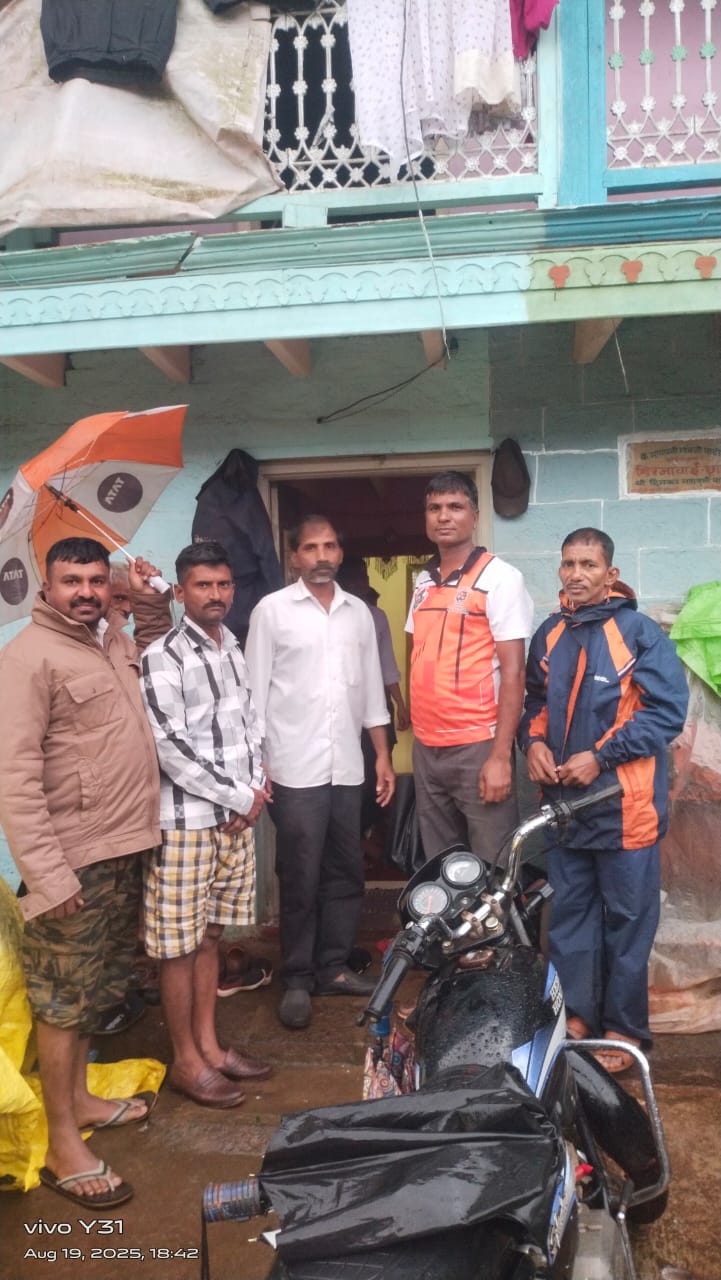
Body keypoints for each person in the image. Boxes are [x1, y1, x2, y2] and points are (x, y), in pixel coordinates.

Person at [0, 536, 170, 1208]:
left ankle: (79, 1099)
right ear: (47, 584)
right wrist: (48, 875)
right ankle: (63, 1139)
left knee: (95, 988)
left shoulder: (110, 640)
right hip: (72, 863)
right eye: (72, 581)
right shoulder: (27, 658)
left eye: (97, 581)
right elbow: (14, 779)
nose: (87, 592)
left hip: (123, 846)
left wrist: (148, 593)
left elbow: (152, 638)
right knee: (62, 1004)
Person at [518, 527, 689, 1072]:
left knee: (627, 922)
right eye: (568, 564)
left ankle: (625, 1030)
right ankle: (577, 1016)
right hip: (565, 809)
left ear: (610, 574)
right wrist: (534, 742)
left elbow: (665, 714)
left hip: (625, 808)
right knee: (569, 920)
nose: (576, 574)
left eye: (588, 564)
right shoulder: (549, 634)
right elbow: (535, 701)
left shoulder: (639, 633)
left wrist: (602, 754)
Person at [245, 515, 396, 1030]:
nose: (322, 555)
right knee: (301, 874)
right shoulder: (272, 612)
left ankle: (333, 967)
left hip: (347, 767)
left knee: (346, 870)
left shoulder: (358, 614)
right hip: (293, 767)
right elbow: (253, 695)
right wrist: (256, 763)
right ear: (295, 557)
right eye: (311, 547)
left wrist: (382, 755)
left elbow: (372, 690)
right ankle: (297, 977)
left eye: (330, 545)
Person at [140, 541, 272, 1109]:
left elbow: (251, 727)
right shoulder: (163, 655)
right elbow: (168, 748)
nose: (215, 595)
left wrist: (257, 787)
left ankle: (213, 1048)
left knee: (212, 938)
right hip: (187, 826)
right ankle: (186, 1063)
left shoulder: (233, 648)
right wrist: (241, 793)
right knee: (178, 947)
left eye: (223, 585)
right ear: (180, 591)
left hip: (235, 823)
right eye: (202, 586)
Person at [406, 470, 534, 861]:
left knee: (494, 863)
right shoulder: (424, 581)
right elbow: (415, 648)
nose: (444, 516)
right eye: (435, 508)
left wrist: (499, 757)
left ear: (475, 517)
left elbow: (514, 673)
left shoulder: (501, 578)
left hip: (477, 744)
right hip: (428, 747)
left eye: (455, 507)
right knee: (442, 868)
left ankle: (499, 927)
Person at [337, 555, 409, 833]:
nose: (365, 581)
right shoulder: (328, 616)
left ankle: (371, 832)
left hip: (376, 706)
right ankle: (353, 832)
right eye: (359, 576)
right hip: (343, 709)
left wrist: (400, 705)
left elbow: (386, 665)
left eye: (366, 575)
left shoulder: (376, 616)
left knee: (377, 769)